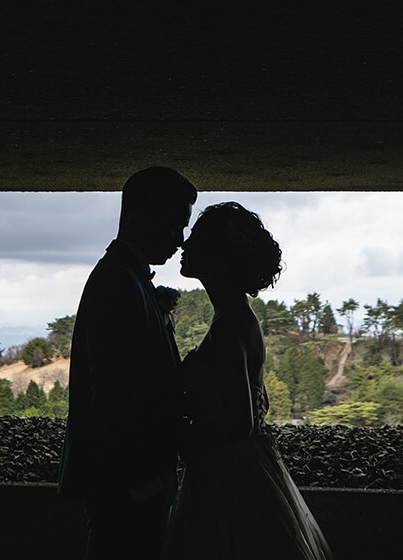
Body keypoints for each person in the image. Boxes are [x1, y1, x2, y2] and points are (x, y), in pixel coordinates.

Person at [164, 201, 334, 559]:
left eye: (194, 238)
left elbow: (241, 423)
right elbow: (259, 403)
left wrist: (174, 435)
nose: (184, 246)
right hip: (238, 470)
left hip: (228, 479)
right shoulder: (236, 318)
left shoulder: (230, 326)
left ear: (216, 256)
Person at [58, 166, 198, 559]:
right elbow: (113, 395)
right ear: (140, 214)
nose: (180, 239)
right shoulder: (119, 283)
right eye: (174, 224)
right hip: (124, 485)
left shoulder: (125, 278)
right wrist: (143, 482)